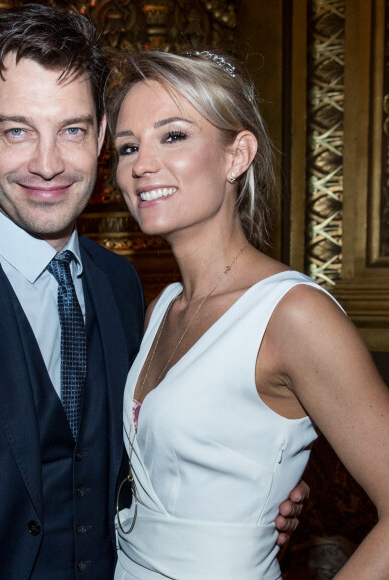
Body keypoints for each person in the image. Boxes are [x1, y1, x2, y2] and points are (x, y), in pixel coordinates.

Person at [0, 7, 305, 580]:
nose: (47, 164)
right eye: (16, 130)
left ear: (98, 136)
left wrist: (258, 492)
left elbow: (144, 457)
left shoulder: (121, 287)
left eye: (70, 130)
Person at [108, 48, 389, 579]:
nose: (141, 164)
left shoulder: (293, 314)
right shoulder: (161, 309)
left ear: (237, 155)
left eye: (173, 135)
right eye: (126, 147)